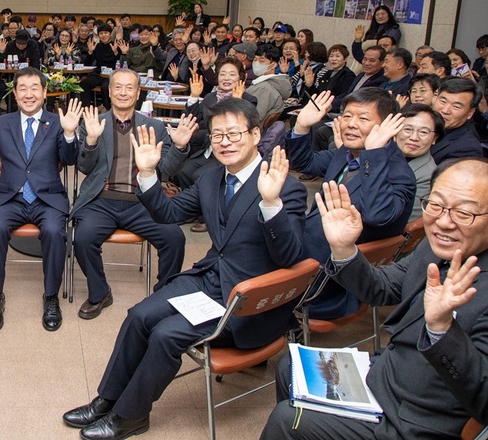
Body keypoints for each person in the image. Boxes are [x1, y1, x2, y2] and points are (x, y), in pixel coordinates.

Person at [63, 99, 308, 440]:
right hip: (208, 281)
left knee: (166, 334)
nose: (225, 141)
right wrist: (147, 174)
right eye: (218, 134)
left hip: (247, 303)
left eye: (234, 133)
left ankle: (130, 416)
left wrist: (270, 204)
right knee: (139, 315)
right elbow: (168, 213)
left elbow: (293, 258)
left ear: (255, 135)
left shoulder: (286, 189)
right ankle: (107, 399)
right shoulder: (211, 181)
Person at [260, 158, 488, 440]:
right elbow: (381, 287)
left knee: (287, 421)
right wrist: (344, 248)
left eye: (464, 213)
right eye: (436, 204)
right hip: (385, 376)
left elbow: (483, 401)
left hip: (413, 421)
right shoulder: (434, 247)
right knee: (291, 366)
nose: (443, 221)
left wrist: (441, 329)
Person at [0, 68, 82, 332]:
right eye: (22, 88)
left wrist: (70, 135)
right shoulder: (3, 123)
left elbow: (70, 160)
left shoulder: (58, 122)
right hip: (11, 197)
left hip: (47, 198)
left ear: (45, 92)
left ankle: (50, 297)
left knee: (54, 231)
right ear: (14, 93)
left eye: (35, 88)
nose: (28, 94)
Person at [70, 69, 197, 319]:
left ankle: (164, 296)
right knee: (82, 238)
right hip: (101, 200)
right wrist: (92, 141)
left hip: (143, 202)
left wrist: (180, 147)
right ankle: (100, 292)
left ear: (138, 93)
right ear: (109, 91)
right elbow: (84, 167)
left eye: (129, 88)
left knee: (174, 238)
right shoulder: (95, 123)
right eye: (117, 87)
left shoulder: (155, 126)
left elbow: (167, 170)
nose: (123, 92)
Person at [287, 87, 416, 318]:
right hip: (305, 249)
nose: (351, 124)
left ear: (386, 126)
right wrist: (302, 126)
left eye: (363, 118)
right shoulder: (347, 153)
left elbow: (378, 215)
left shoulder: (399, 174)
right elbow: (305, 163)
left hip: (328, 279)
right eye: (347, 116)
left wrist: (375, 153)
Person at [396, 104, 443, 221]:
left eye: (423, 132)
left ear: (434, 139)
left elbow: (405, 220)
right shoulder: (379, 155)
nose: (414, 137)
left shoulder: (429, 176)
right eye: (408, 129)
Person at [430, 77, 483, 164]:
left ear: (470, 113)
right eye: (443, 101)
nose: (445, 110)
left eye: (456, 107)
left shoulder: (468, 149)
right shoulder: (423, 123)